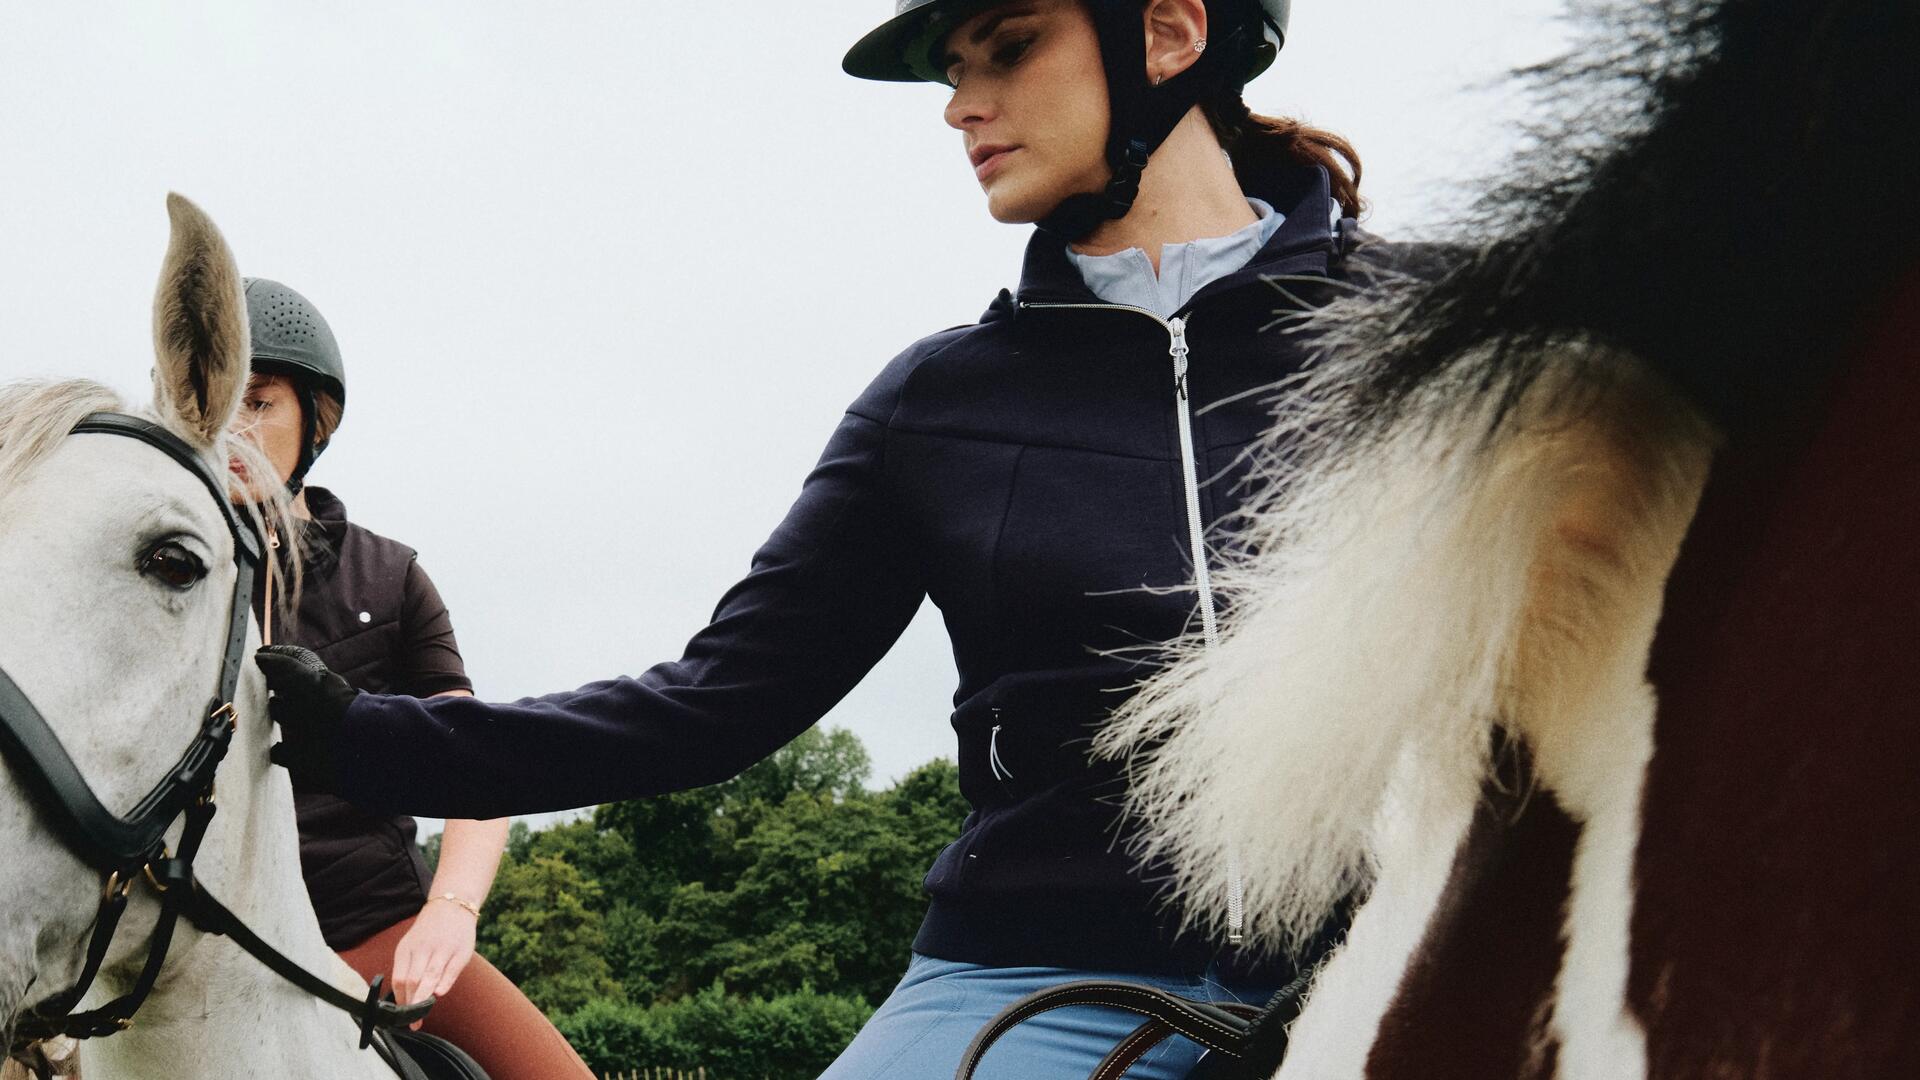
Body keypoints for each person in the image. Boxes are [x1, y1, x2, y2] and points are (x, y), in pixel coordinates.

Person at [258, 2, 1393, 1075]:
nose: (962, 107)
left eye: (1006, 48)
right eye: (954, 73)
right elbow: (714, 703)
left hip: (1399, 940)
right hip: (1037, 968)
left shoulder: (1430, 340)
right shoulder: (937, 404)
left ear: (1168, 30)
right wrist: (369, 743)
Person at [230, 278, 596, 1080]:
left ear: (314, 421)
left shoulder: (387, 578)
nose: (231, 428)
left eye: (256, 402)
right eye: (209, 404)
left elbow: (477, 762)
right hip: (195, 944)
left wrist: (449, 913)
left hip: (376, 932)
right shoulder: (146, 576)